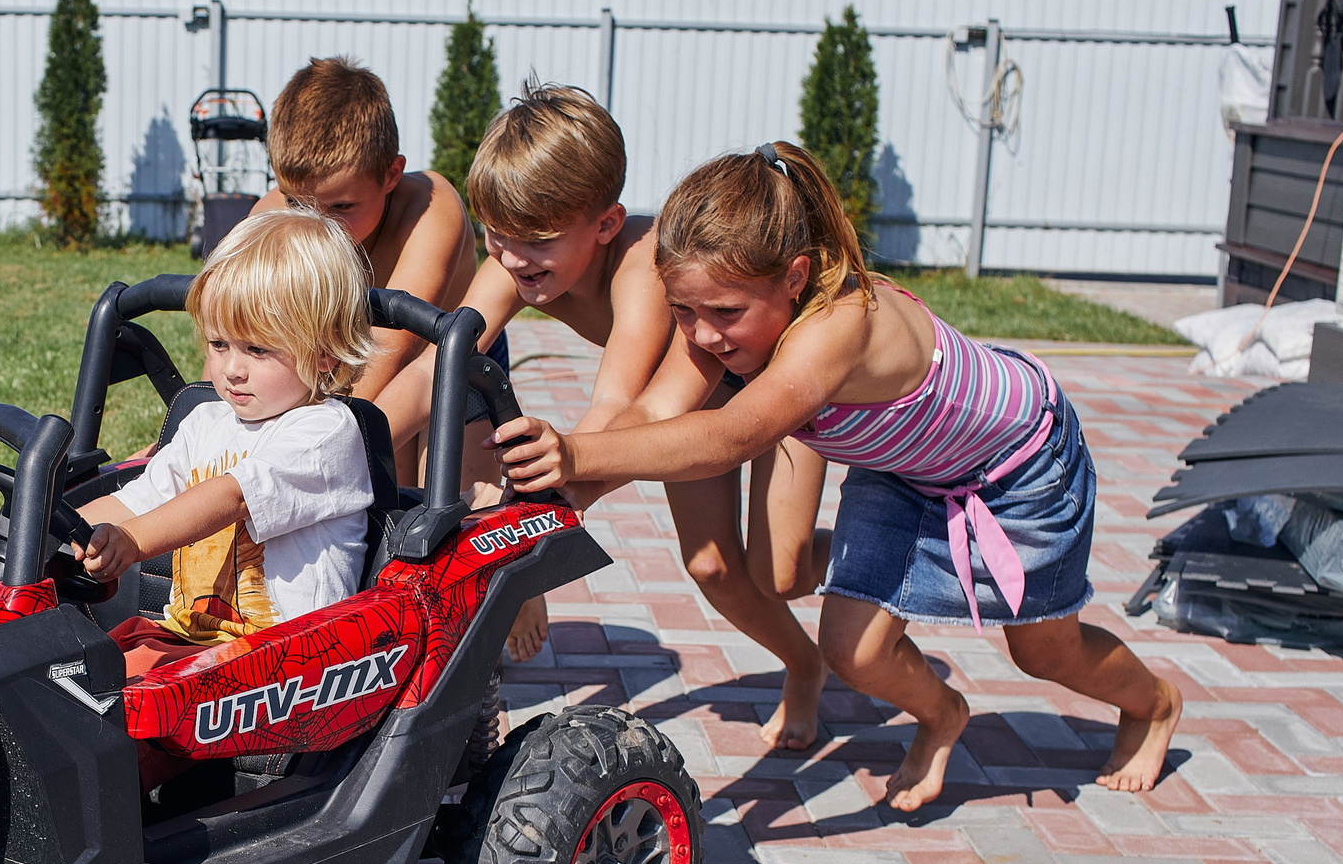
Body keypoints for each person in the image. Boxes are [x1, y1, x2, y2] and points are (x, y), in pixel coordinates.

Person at [490, 141, 1183, 811]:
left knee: (1042, 649)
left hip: (1019, 470)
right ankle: (944, 712)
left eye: (723, 314)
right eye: (683, 312)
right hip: (904, 473)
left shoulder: (838, 325)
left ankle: (1154, 704)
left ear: (793, 277)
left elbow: (734, 434)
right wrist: (560, 495)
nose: (702, 336)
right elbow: (655, 412)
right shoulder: (722, 317)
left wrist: (578, 456)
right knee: (851, 649)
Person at [436, 84, 830, 729]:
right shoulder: (519, 261)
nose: (508, 255)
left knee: (779, 569)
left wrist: (523, 525)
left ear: (605, 224)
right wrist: (355, 420)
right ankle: (805, 662)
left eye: (533, 237)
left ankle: (878, 555)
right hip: (697, 395)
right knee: (713, 568)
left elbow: (618, 406)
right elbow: (442, 362)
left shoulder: (641, 261)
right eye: (496, 236)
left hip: (777, 393)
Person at [78, 206, 379, 689]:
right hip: (192, 640)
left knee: (108, 712)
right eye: (219, 344)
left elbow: (232, 497)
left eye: (257, 350)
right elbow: (134, 500)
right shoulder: (205, 422)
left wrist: (131, 541)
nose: (232, 369)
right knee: (70, 671)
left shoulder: (324, 432)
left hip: (292, 663)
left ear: (324, 353)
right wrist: (42, 531)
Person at [247, 57, 481, 476]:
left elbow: (390, 353)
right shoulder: (271, 214)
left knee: (452, 511)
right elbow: (237, 336)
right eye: (298, 204)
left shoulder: (430, 207)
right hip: (334, 366)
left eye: (340, 207)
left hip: (448, 366)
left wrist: (302, 448)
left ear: (391, 174)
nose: (317, 225)